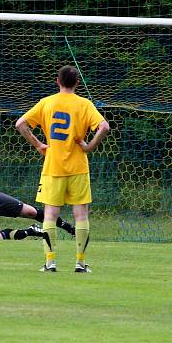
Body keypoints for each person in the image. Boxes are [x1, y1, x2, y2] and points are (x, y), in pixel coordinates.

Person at [15, 65, 109, 273]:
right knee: (81, 215)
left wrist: (39, 145)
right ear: (77, 83)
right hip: (78, 167)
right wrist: (89, 147)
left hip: (53, 166)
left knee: (50, 214)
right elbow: (104, 127)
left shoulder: (47, 103)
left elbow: (21, 124)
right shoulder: (84, 104)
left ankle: (50, 263)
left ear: (57, 81)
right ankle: (80, 263)